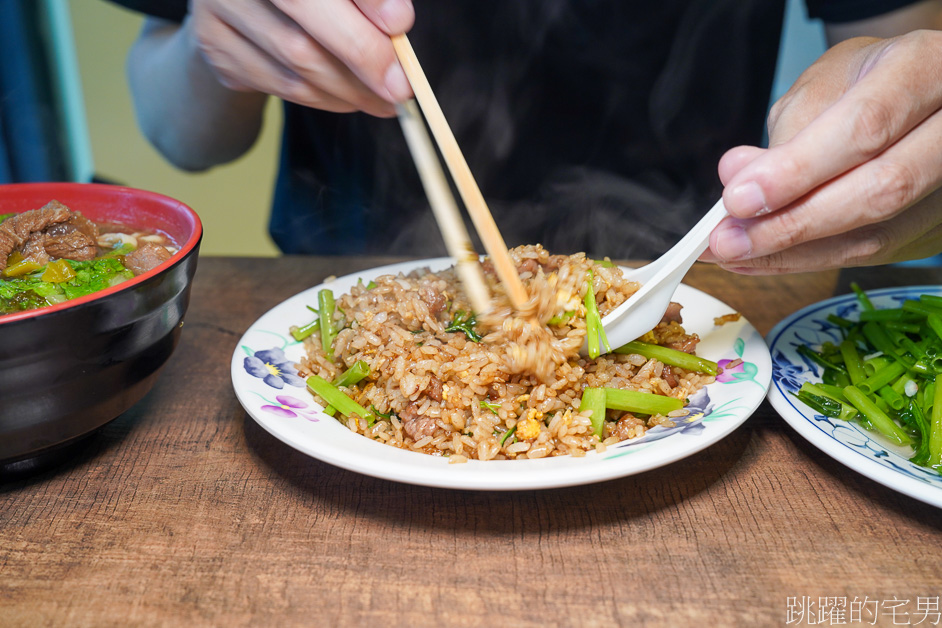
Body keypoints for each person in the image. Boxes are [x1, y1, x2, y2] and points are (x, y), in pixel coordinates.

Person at [106, 0, 942, 272]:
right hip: (330, 281)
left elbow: (897, 38)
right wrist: (219, 47)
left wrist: (891, 125)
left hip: (708, 288)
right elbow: (181, 131)